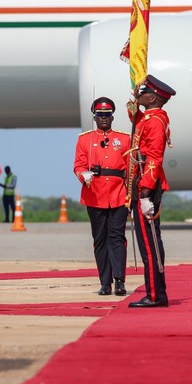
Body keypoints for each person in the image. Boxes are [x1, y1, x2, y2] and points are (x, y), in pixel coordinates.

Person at [73, 97, 131, 296]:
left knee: (117, 238)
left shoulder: (124, 139)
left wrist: (132, 193)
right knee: (100, 239)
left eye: (107, 115)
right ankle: (105, 283)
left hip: (118, 194)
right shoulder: (84, 139)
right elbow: (78, 166)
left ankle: (119, 280)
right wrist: (84, 176)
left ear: (112, 117)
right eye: (100, 115)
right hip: (94, 194)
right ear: (95, 117)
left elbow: (131, 169)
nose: (104, 118)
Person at [127, 74, 176, 308]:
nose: (139, 95)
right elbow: (138, 130)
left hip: (148, 182)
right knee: (149, 240)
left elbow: (155, 157)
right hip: (143, 179)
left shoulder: (155, 121)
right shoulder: (150, 117)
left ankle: (155, 295)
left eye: (142, 92)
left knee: (149, 243)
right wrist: (134, 109)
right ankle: (155, 292)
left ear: (154, 97)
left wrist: (145, 192)